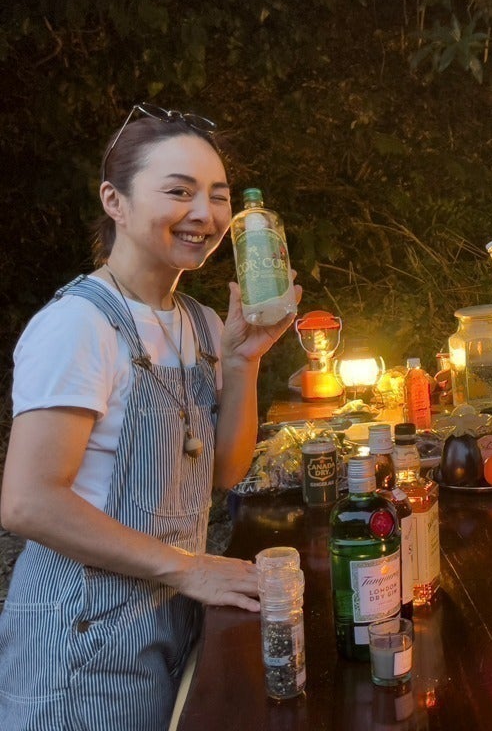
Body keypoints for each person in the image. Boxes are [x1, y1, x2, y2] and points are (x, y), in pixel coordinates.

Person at [0, 104, 298, 728]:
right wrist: (189, 568)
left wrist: (243, 362)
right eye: (179, 192)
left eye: (218, 195)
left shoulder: (201, 323)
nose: (204, 214)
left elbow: (222, 474)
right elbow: (28, 503)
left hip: (165, 621)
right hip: (76, 640)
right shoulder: (78, 326)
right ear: (115, 201)